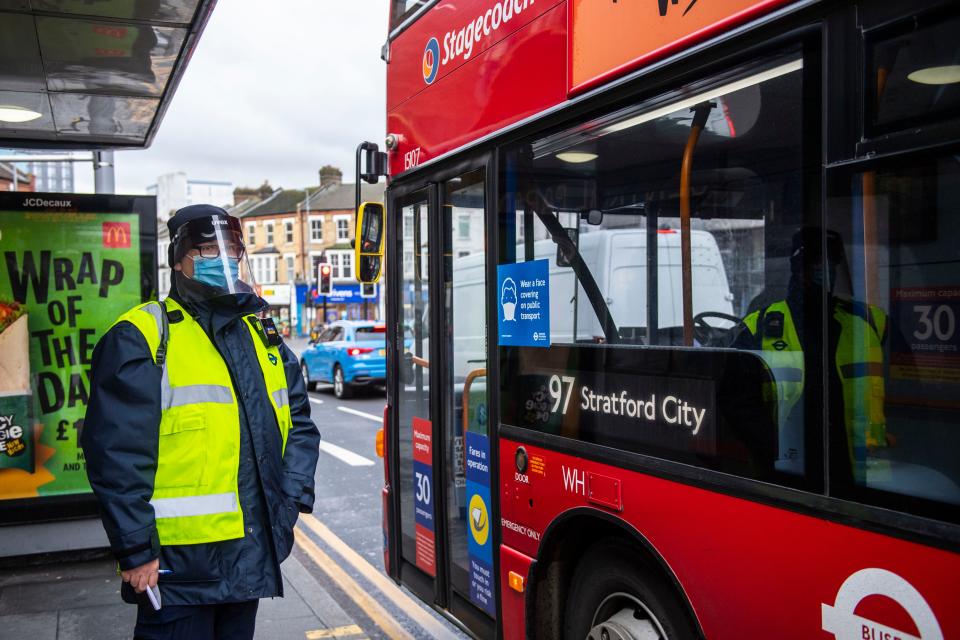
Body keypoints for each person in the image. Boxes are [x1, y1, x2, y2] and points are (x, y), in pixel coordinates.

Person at [82, 205, 321, 639]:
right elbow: (114, 455)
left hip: (247, 556)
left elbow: (299, 421)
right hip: (177, 570)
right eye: (208, 249)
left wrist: (291, 500)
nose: (223, 260)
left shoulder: (260, 332)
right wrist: (135, 549)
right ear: (179, 260)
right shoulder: (142, 336)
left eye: (231, 249)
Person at [736, 227, 887, 484]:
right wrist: (768, 448)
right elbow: (736, 401)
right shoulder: (760, 325)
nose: (823, 269)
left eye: (829, 262)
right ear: (797, 268)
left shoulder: (868, 322)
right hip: (785, 472)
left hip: (858, 476)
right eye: (815, 262)